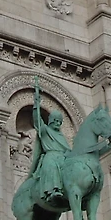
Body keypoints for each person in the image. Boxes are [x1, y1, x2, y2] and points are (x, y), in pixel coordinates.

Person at [28, 77, 70, 207]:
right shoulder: (45, 130)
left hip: (62, 157)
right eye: (55, 121)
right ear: (51, 121)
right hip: (50, 156)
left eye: (59, 122)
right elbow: (37, 121)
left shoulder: (61, 136)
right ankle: (53, 190)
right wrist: (36, 105)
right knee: (51, 164)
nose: (57, 124)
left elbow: (67, 149)